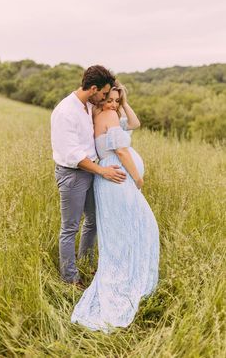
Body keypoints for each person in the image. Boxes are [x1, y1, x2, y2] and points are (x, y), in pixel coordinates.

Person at [71, 82, 160, 332]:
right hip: (119, 179)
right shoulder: (108, 115)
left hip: (110, 181)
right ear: (100, 97)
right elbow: (121, 151)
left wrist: (125, 102)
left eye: (117, 100)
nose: (113, 104)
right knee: (143, 227)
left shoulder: (104, 114)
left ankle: (127, 275)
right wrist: (138, 179)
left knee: (122, 231)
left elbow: (134, 124)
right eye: (110, 99)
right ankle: (129, 281)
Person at [51, 66, 126, 288]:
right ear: (93, 89)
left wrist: (121, 96)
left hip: (91, 171)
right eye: (103, 94)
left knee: (93, 221)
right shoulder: (66, 111)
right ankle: (70, 278)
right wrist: (103, 171)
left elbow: (116, 115)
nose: (105, 99)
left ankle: (85, 263)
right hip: (73, 175)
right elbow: (72, 154)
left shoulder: (88, 104)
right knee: (70, 227)